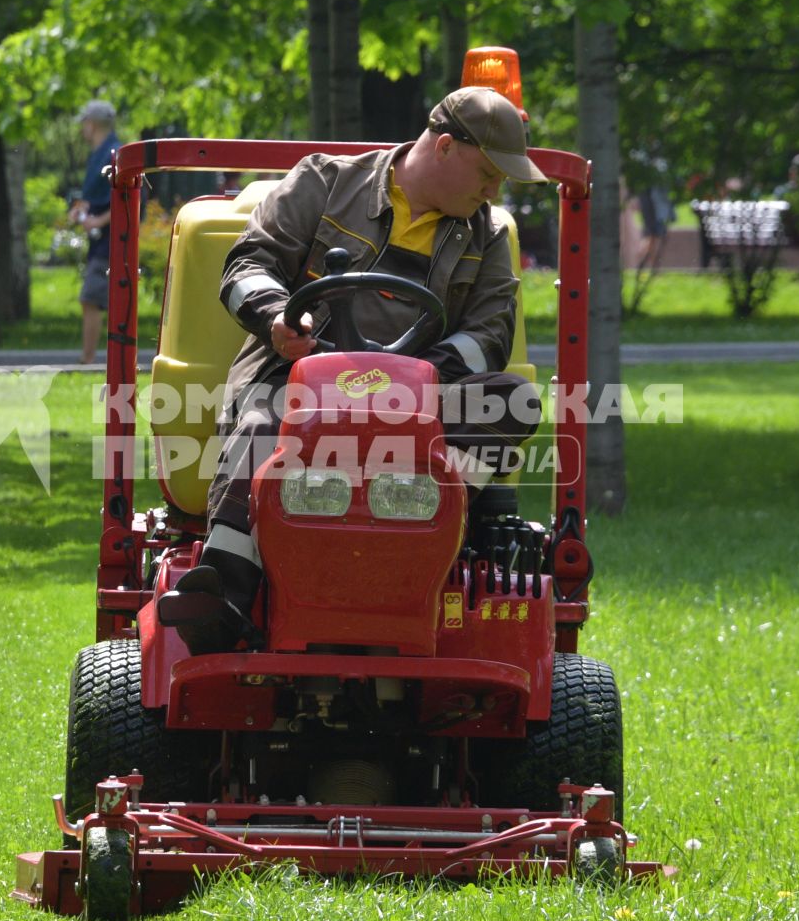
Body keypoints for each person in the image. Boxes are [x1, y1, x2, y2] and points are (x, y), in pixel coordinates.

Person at [157, 87, 547, 654]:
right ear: (443, 147)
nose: (495, 190)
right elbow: (248, 265)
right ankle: (227, 588)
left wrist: (413, 378)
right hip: (294, 381)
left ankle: (438, 536)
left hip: (417, 402)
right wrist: (277, 321)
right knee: (263, 421)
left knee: (513, 403)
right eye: (488, 173)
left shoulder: (485, 235)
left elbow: (490, 332)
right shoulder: (324, 182)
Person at [70, 99, 120, 364]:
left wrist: (97, 221)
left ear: (92, 124)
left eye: (84, 123)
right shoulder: (100, 153)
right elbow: (96, 195)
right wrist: (80, 209)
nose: (82, 129)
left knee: (90, 298)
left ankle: (87, 360)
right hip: (100, 242)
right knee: (100, 300)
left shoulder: (114, 153)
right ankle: (90, 357)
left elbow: (130, 200)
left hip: (111, 241)